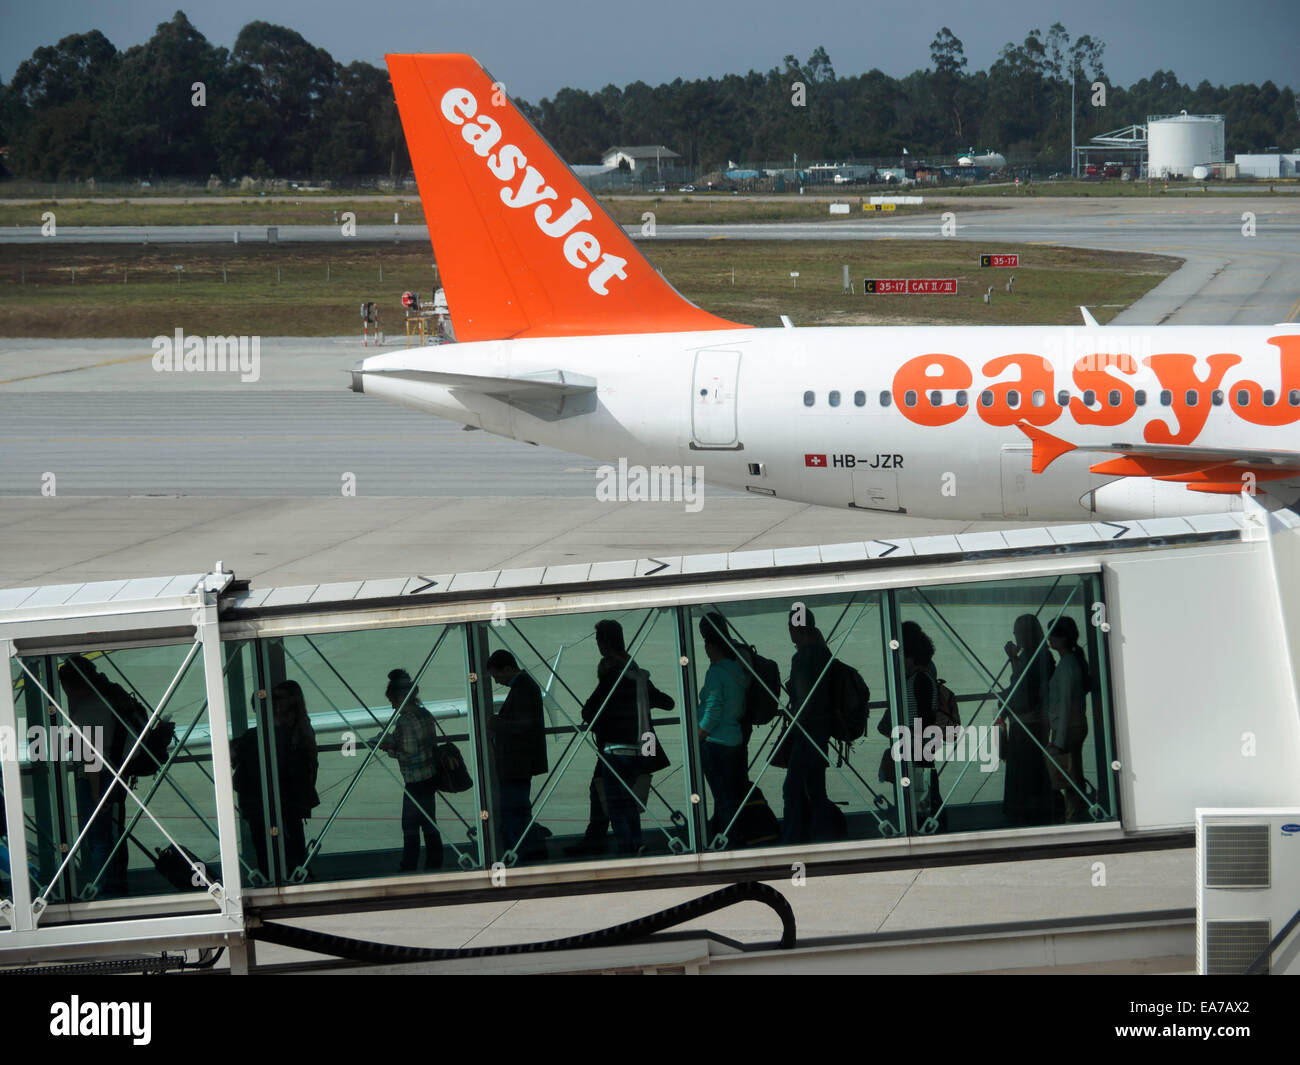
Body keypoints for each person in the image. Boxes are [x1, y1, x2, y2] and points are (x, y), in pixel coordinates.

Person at [566, 620, 674, 857]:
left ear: (604, 642)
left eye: (597, 641)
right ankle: (631, 842)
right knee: (626, 799)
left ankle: (623, 847)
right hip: (642, 747)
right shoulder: (637, 674)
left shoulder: (612, 676)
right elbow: (668, 703)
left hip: (615, 747)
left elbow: (588, 711)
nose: (597, 645)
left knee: (613, 801)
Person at [232, 680, 319, 877]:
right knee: (293, 844)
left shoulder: (262, 737)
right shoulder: (298, 732)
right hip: (288, 802)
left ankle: (281, 878)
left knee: (269, 848)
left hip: (270, 803)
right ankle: (298, 877)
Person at [59, 656, 127, 896]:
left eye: (66, 687)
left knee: (98, 841)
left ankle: (101, 890)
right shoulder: (99, 703)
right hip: (108, 773)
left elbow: (92, 757)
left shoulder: (88, 709)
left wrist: (98, 793)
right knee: (108, 836)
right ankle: (112, 886)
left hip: (96, 779)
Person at [378, 669, 443, 871]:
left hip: (415, 780)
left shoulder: (405, 720)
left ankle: (409, 865)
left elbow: (408, 753)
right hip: (430, 775)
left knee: (410, 827)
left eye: (393, 701)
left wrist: (389, 747)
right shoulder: (424, 713)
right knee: (429, 823)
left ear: (400, 698)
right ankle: (434, 862)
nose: (392, 706)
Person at [486, 650, 548, 860]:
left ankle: (522, 852)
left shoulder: (522, 688)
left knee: (514, 811)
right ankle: (528, 848)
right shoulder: (525, 687)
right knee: (518, 809)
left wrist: (497, 724)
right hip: (520, 763)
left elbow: (523, 727)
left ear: (508, 669)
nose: (497, 681)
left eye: (497, 676)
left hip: (516, 764)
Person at [782, 605, 834, 843]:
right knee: (816, 787)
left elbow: (803, 698)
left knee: (791, 788)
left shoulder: (801, 656)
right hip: (823, 729)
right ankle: (821, 833)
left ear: (796, 629)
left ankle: (793, 838)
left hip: (806, 731)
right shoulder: (824, 652)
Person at [996, 615, 1054, 825]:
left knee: (1026, 768)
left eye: (1019, 632)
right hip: (1024, 721)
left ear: (1029, 634)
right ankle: (1029, 810)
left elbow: (1024, 684)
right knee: (1025, 768)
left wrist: (1013, 658)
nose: (1017, 637)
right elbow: (1023, 684)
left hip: (1030, 722)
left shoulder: (1038, 657)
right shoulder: (1035, 655)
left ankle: (1029, 811)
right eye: (1016, 633)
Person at [697, 613, 749, 844]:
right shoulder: (737, 671)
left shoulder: (716, 672)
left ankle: (729, 840)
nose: (705, 648)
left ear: (713, 646)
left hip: (716, 743)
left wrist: (699, 735)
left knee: (722, 797)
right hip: (735, 739)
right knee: (731, 795)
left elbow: (713, 707)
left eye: (706, 643)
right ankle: (731, 836)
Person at [1046, 617, 1090, 823]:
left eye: (1053, 634)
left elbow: (1064, 704)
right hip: (1076, 724)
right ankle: (1076, 813)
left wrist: (1058, 740)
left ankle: (1074, 817)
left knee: (1069, 776)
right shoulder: (1072, 661)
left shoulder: (1066, 666)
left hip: (1068, 728)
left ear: (1062, 638)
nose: (1049, 638)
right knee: (1074, 773)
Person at [901, 621, 944, 830]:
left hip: (919, 744)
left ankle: (929, 826)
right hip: (921, 743)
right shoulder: (921, 677)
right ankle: (929, 824)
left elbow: (924, 715)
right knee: (926, 788)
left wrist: (915, 745)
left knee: (925, 789)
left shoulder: (920, 680)